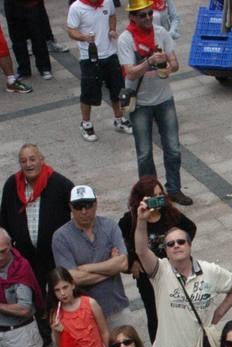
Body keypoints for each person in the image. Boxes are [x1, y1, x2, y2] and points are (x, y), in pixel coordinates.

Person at [131, 203, 232, 347]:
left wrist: (219, 312)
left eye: (181, 241)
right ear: (166, 251)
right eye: (170, 244)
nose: (176, 245)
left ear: (189, 246)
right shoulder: (160, 271)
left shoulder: (210, 271)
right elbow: (141, 250)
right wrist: (141, 220)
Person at [118, 0, 189, 208]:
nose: (148, 18)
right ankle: (152, 196)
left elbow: (175, 63)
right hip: (140, 103)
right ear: (132, 17)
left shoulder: (161, 33)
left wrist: (169, 67)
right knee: (144, 153)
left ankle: (174, 190)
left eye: (150, 13)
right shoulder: (125, 39)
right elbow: (129, 72)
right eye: (143, 15)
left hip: (164, 99)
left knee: (174, 148)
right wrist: (149, 61)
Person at [1, 146, 74, 328]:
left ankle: (63, 324)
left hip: (53, 252)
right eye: (24, 161)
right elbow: (4, 218)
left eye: (32, 159)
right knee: (33, 292)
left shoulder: (60, 183)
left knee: (59, 290)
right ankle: (42, 330)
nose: (28, 164)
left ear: (42, 159)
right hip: (25, 254)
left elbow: (78, 213)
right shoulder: (12, 184)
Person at [51, 185, 132, 325]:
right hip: (83, 314)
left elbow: (124, 263)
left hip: (116, 306)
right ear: (70, 207)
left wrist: (86, 268)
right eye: (78, 207)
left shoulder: (110, 226)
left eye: (88, 206)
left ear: (96, 204)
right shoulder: (61, 237)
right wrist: (111, 268)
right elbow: (72, 279)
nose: (84, 211)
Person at [65, 0, 131, 141]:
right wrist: (84, 37)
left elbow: (112, 15)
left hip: (111, 53)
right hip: (89, 57)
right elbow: (71, 30)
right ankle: (86, 124)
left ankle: (119, 119)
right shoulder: (76, 7)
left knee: (117, 89)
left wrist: (112, 29)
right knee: (88, 92)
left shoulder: (107, 2)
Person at [0, 229, 46, 347]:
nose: (0, 257)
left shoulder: (20, 267)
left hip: (21, 333)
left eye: (3, 252)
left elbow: (24, 308)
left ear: (10, 246)